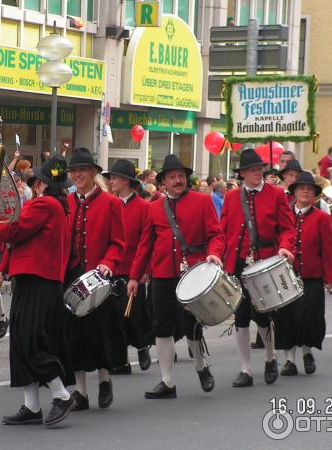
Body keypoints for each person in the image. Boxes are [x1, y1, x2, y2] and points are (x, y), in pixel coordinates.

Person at [128, 154, 225, 399]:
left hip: (193, 273)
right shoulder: (153, 208)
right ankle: (167, 382)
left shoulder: (202, 202)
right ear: (163, 182)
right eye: (172, 177)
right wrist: (134, 276)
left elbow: (216, 235)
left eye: (181, 176)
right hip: (162, 274)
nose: (178, 180)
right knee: (161, 327)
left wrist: (214, 254)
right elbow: (144, 246)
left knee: (191, 324)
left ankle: (201, 367)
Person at [0, 155, 75, 427]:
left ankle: (61, 394)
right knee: (23, 341)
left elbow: (13, 231)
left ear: (41, 182)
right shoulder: (59, 205)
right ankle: (31, 406)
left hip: (37, 280)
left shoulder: (43, 204)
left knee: (28, 341)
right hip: (41, 280)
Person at [220, 148, 295, 387]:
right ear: (242, 173)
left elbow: (287, 228)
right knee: (240, 316)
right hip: (238, 263)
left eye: (259, 169)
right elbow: (222, 231)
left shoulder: (276, 195)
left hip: (264, 262)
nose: (257, 173)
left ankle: (270, 357)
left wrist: (284, 247)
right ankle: (245, 369)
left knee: (263, 314)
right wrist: (219, 257)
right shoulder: (231, 197)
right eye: (252, 169)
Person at [65, 147, 126, 411]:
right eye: (74, 171)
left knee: (101, 331)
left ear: (93, 173)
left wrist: (108, 263)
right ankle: (80, 391)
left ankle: (104, 379)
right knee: (74, 334)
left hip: (100, 275)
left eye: (83, 170)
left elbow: (119, 242)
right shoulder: (65, 203)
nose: (78, 175)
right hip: (72, 275)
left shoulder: (111, 203)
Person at [274, 172, 332, 376]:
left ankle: (307, 353)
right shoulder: (284, 215)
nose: (305, 191)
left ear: (315, 194)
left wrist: (330, 278)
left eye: (309, 189)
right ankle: (289, 361)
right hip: (285, 277)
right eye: (301, 188)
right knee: (286, 319)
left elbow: (328, 250)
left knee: (310, 318)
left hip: (311, 275)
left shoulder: (322, 218)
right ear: (294, 192)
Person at [104, 159, 153, 375]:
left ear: (126, 181)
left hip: (134, 269)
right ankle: (120, 361)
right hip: (113, 268)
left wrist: (143, 270)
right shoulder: (109, 203)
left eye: (114, 177)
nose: (111, 181)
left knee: (134, 314)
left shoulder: (144, 207)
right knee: (114, 317)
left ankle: (142, 346)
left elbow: (147, 241)